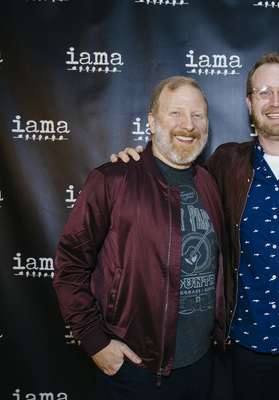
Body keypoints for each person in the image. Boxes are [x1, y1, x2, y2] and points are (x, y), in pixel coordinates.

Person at [112, 52, 279, 400]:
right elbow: (173, 171)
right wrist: (138, 161)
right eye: (263, 92)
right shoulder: (225, 164)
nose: (275, 102)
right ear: (249, 102)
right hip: (242, 352)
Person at [54, 76, 227, 400]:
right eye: (175, 113)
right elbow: (70, 266)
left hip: (201, 364)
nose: (188, 125)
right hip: (136, 370)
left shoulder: (209, 183)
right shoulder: (112, 180)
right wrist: (94, 341)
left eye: (198, 115)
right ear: (151, 122)